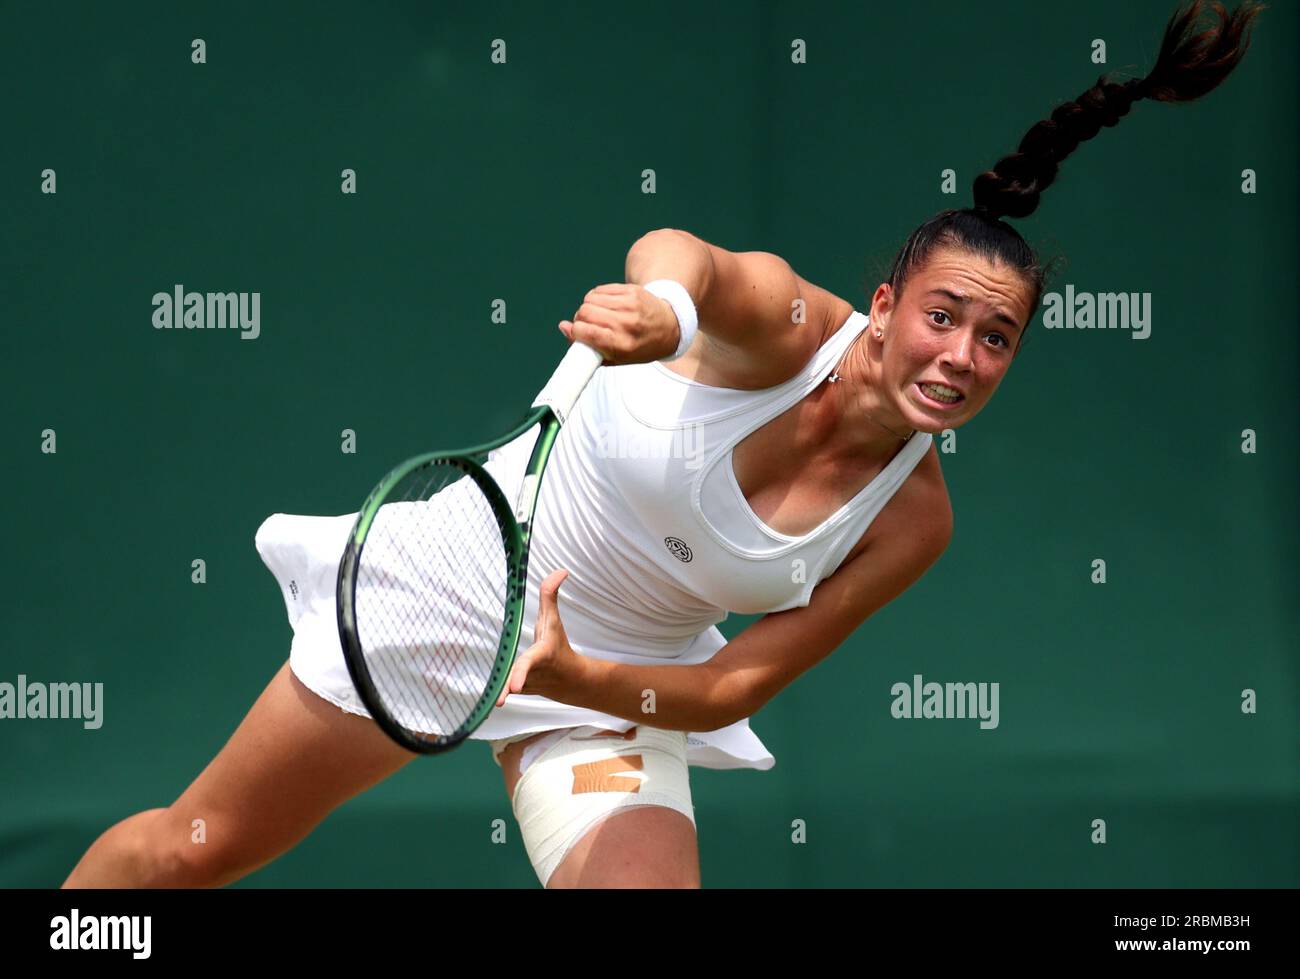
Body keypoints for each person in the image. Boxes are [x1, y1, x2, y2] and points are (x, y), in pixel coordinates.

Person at [63, 0, 1262, 889]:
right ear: (885, 305)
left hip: (616, 685)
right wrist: (665, 315)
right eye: (941, 317)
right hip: (456, 581)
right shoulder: (787, 320)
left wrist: (580, 680)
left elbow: (736, 682)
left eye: (995, 338)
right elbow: (680, 251)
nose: (959, 354)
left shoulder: (913, 520)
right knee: (181, 859)